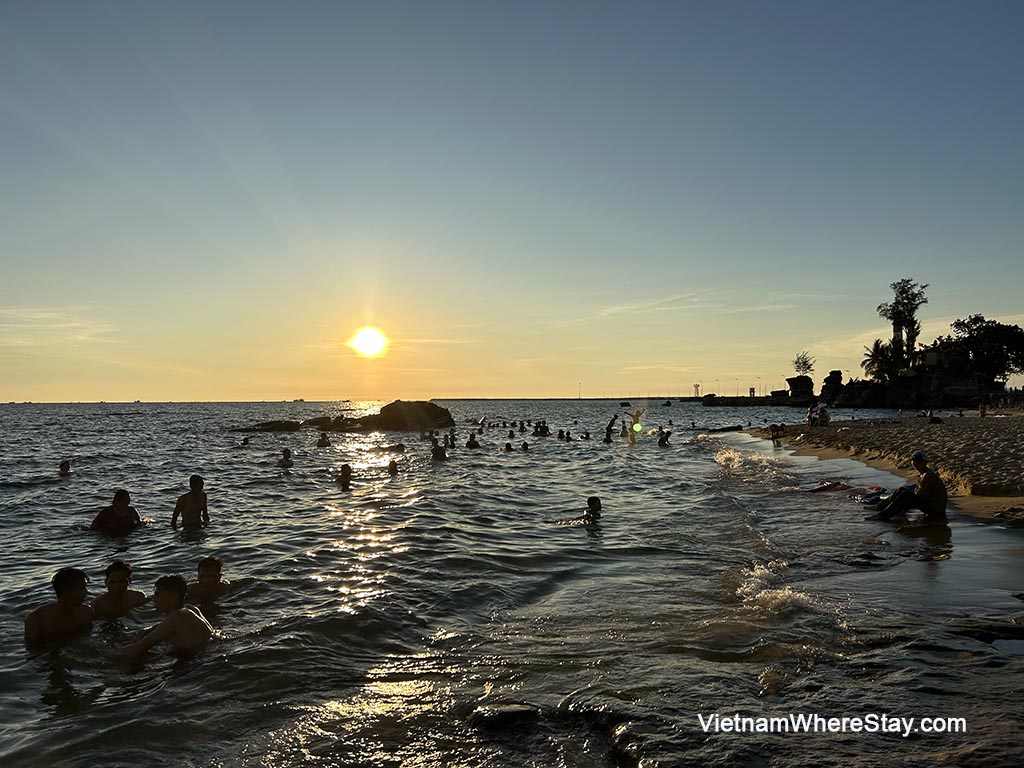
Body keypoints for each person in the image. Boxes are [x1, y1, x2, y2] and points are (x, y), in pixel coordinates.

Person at [116, 575, 213, 660]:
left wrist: (106, 659)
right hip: (207, 653)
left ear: (173, 598)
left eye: (158, 595)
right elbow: (162, 627)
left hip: (197, 659)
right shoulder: (190, 609)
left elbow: (136, 650)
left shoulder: (177, 616)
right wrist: (143, 632)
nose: (154, 599)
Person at [867, 451, 948, 521]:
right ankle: (880, 507)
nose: (916, 465)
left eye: (918, 462)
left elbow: (922, 496)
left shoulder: (928, 476)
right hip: (930, 504)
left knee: (905, 495)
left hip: (936, 508)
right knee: (901, 490)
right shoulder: (922, 475)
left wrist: (903, 505)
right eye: (915, 462)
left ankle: (883, 515)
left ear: (924, 462)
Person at [25, 567, 93, 643]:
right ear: (66, 591)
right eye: (82, 589)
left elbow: (87, 637)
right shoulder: (36, 619)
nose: (86, 593)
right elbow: (32, 647)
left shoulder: (86, 612)